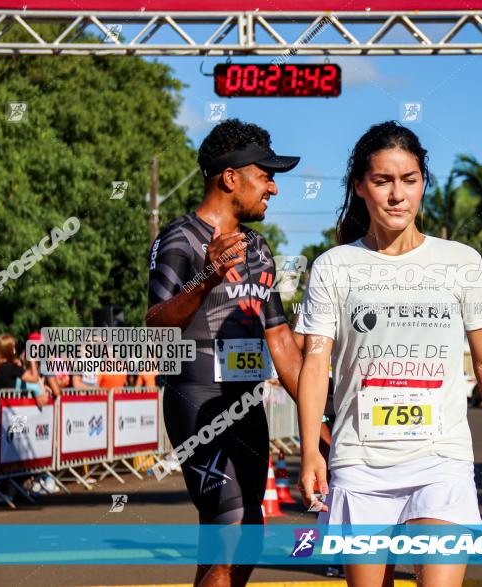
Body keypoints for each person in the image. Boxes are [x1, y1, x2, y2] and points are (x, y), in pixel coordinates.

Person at [295, 121, 482, 587]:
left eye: (409, 180)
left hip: (441, 459)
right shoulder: (333, 267)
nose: (397, 195)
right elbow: (315, 363)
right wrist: (308, 454)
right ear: (360, 186)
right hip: (359, 462)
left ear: (423, 184)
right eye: (382, 181)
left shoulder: (460, 262)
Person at [146, 118, 309, 587]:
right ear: (230, 177)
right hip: (197, 398)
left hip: (246, 403)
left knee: (247, 532)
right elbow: (156, 322)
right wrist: (209, 276)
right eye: (266, 175)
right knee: (230, 523)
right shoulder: (179, 238)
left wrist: (319, 417)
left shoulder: (259, 249)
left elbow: (279, 339)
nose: (274, 189)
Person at [0, 333, 48, 406]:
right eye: (14, 347)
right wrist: (32, 359)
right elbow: (34, 379)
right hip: (9, 410)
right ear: (10, 350)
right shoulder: (12, 368)